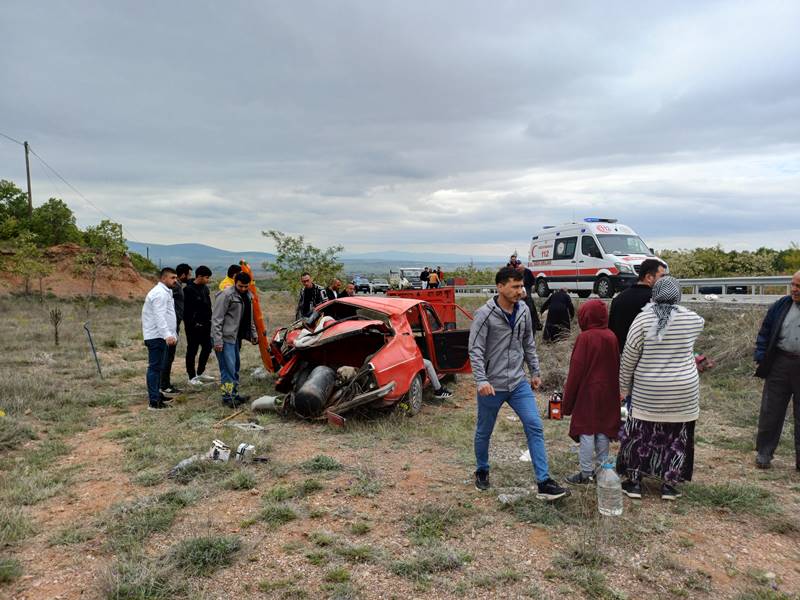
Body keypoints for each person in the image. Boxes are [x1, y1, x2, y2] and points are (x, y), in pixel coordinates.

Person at [469, 266, 567, 500]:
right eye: (514, 286)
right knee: (484, 431)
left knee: (534, 425)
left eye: (521, 286)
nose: (519, 291)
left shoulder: (523, 309)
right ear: (500, 287)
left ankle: (544, 481)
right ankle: (482, 470)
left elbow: (528, 344)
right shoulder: (485, 314)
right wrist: (481, 379)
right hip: (491, 385)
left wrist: (535, 371)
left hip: (518, 383)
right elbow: (475, 349)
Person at [617, 276, 705, 500]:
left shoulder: (643, 319)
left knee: (640, 436)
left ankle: (635, 482)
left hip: (649, 391)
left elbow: (629, 357)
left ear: (654, 294)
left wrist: (623, 387)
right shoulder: (691, 320)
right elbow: (700, 323)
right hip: (683, 391)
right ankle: (669, 485)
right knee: (677, 438)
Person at [562, 300, 621, 484]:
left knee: (586, 430)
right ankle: (602, 469)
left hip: (588, 390)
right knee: (603, 428)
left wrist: (567, 401)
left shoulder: (585, 338)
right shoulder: (611, 336)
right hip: (609, 390)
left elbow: (576, 369)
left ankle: (586, 472)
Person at [754, 270, 800, 470]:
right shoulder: (782, 304)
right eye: (793, 284)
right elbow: (765, 330)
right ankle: (764, 453)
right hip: (779, 363)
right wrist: (761, 355)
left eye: (799, 286)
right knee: (771, 411)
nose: (794, 289)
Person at [212, 271, 258, 407]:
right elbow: (216, 319)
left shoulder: (249, 295)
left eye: (246, 286)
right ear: (234, 282)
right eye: (240, 286)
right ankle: (227, 397)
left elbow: (249, 318)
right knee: (227, 369)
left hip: (235, 337)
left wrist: (253, 334)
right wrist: (218, 341)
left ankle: (234, 394)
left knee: (235, 367)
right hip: (224, 338)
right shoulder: (226, 295)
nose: (243, 289)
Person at [608, 258, 667, 351]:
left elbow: (611, 330)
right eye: (662, 276)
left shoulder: (618, 298)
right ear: (649, 277)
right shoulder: (657, 300)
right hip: (647, 357)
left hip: (622, 355)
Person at [141, 268, 178, 410]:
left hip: (160, 335)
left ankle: (157, 394)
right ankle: (154, 401)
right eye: (172, 278)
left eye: (175, 278)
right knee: (155, 368)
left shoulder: (165, 292)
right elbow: (159, 316)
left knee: (159, 367)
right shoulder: (159, 294)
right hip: (156, 336)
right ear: (163, 278)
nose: (175, 280)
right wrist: (167, 334)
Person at [160, 263, 191, 396]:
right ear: (182, 275)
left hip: (174, 324)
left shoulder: (176, 286)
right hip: (171, 325)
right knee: (167, 356)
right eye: (188, 275)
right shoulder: (175, 287)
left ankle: (165, 383)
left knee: (169, 356)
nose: (189, 277)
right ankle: (164, 385)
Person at [184, 265, 215, 386]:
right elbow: (187, 311)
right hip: (193, 327)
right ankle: (191, 377)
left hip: (207, 324)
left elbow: (207, 306)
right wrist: (194, 324)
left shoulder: (205, 289)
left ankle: (200, 372)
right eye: (207, 277)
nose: (208, 280)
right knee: (192, 350)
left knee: (207, 348)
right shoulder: (188, 290)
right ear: (200, 276)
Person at [519, 262, 542, 334]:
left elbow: (533, 279)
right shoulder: (517, 272)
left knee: (529, 300)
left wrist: (533, 285)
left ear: (524, 268)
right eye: (519, 269)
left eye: (521, 269)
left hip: (527, 286)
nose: (520, 270)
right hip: (521, 287)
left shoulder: (528, 272)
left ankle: (537, 323)